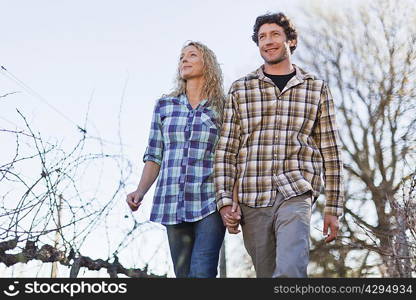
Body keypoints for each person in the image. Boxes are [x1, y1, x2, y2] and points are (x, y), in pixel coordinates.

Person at [214, 12, 344, 278]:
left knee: (290, 270)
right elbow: (226, 150)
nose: (268, 41)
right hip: (253, 197)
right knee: (267, 275)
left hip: (296, 190)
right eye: (262, 37)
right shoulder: (241, 89)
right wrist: (225, 201)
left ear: (291, 41)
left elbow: (331, 151)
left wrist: (333, 207)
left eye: (275, 34)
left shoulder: (315, 88)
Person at [126, 41, 225, 278]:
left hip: (210, 200)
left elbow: (229, 155)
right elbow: (154, 155)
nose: (184, 60)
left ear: (207, 64)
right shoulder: (165, 106)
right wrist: (140, 191)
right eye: (181, 57)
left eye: (192, 55)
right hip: (172, 201)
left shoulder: (222, 108)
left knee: (202, 271)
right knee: (183, 275)